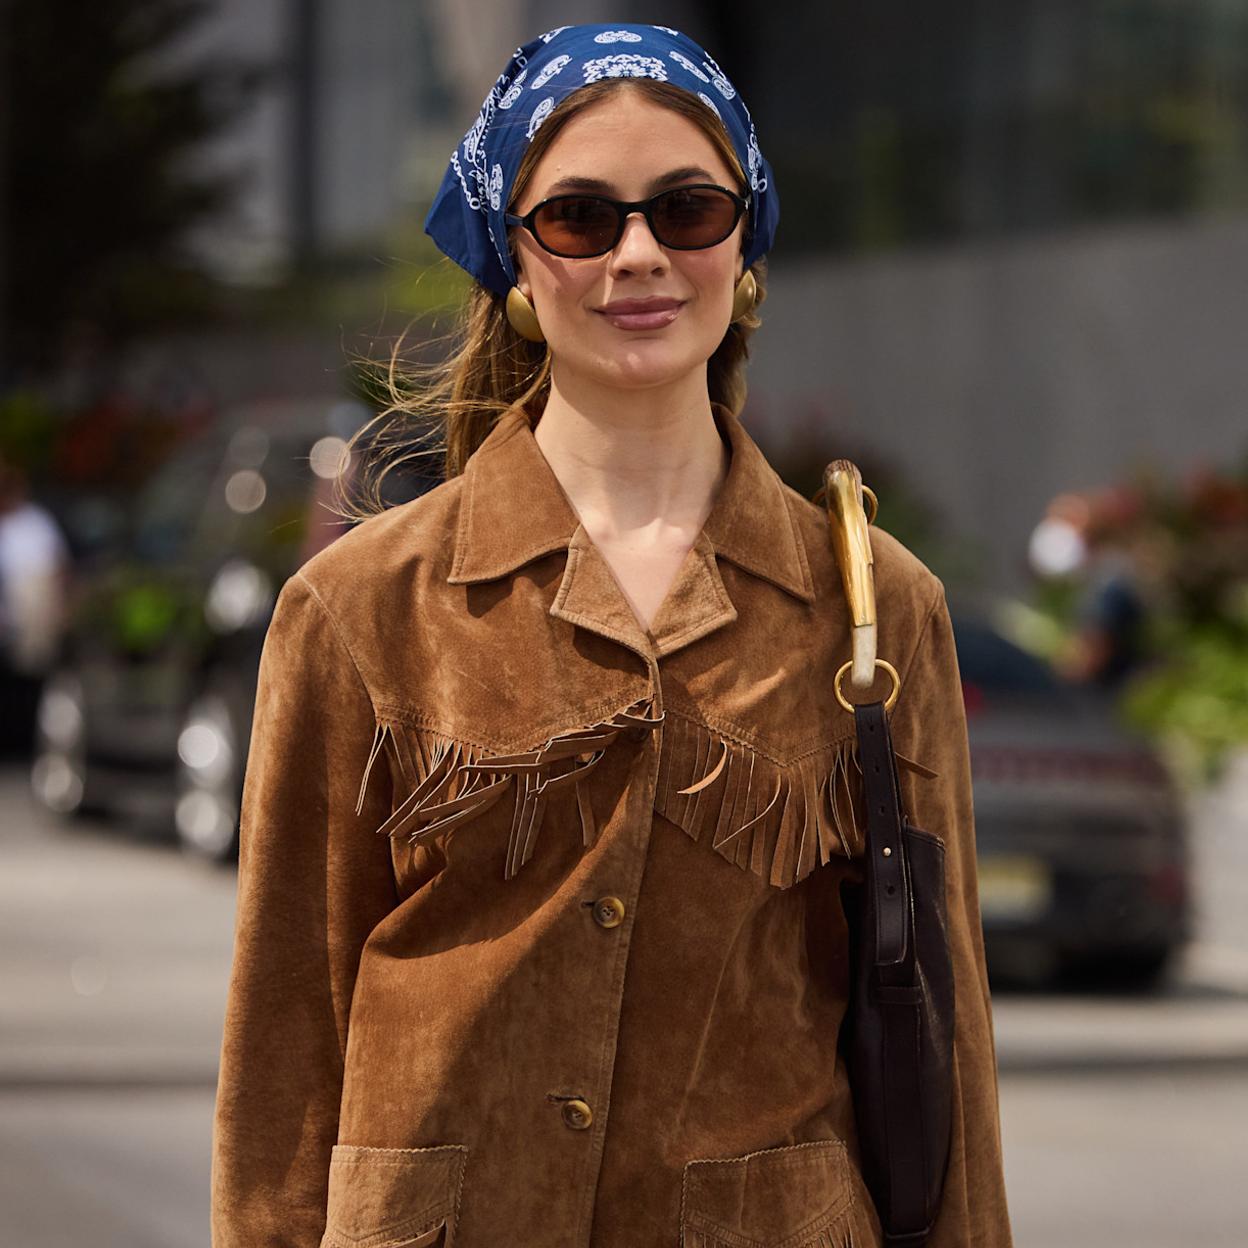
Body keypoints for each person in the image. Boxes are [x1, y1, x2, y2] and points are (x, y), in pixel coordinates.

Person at [210, 23, 1012, 1248]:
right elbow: (284, 1048)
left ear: (744, 244)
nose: (640, 256)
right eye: (581, 219)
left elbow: (942, 1044)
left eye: (687, 210)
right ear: (516, 265)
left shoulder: (874, 605)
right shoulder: (359, 607)